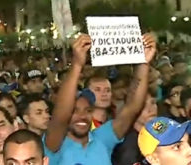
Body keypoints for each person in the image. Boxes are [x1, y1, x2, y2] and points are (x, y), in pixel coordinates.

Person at [44, 33, 156, 165]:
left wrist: (143, 63)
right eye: (75, 111)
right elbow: (61, 116)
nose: (82, 116)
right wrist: (77, 64)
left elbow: (133, 107)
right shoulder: (55, 144)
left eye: (87, 110)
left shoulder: (102, 139)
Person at [112, 92, 158, 165]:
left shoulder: (159, 133)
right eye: (143, 106)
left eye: (152, 103)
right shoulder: (129, 148)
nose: (150, 109)